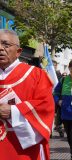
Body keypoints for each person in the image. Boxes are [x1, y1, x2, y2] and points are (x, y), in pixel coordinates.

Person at [0, 29, 55, 159]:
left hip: (23, 148)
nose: (0, 48)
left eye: (5, 45)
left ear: (19, 51)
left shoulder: (36, 75)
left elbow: (46, 107)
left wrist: (14, 111)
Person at [53, 60, 72, 160]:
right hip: (65, 113)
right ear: (69, 68)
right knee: (70, 138)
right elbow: (55, 93)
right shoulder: (63, 80)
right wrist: (58, 101)